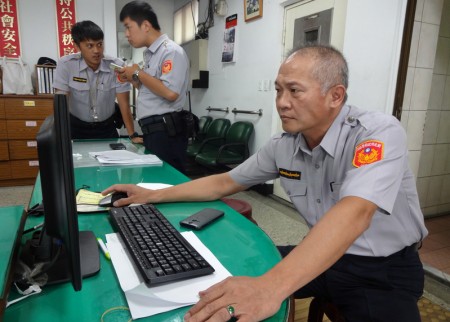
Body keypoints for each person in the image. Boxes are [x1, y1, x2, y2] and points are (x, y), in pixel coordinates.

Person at [103, 45, 428, 322]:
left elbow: (355, 212)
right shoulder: (285, 144)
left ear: (335, 96)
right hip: (319, 256)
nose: (282, 102)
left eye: (294, 90)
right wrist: (152, 195)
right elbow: (224, 183)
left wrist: (271, 287)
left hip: (383, 272)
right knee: (217, 277)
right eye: (278, 90)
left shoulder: (376, 133)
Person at [117, 1, 190, 173]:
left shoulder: (170, 51)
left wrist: (138, 73)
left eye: (129, 27)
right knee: (153, 182)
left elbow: (170, 93)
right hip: (153, 131)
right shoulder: (151, 54)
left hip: (166, 132)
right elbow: (152, 90)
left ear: (146, 25)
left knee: (166, 183)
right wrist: (133, 80)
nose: (126, 34)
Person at [53, 20, 142, 143]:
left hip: (107, 128)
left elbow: (124, 104)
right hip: (76, 128)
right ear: (77, 46)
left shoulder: (116, 66)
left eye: (100, 44)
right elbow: (61, 105)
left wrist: (132, 135)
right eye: (90, 46)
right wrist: (60, 136)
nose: (96, 50)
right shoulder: (66, 65)